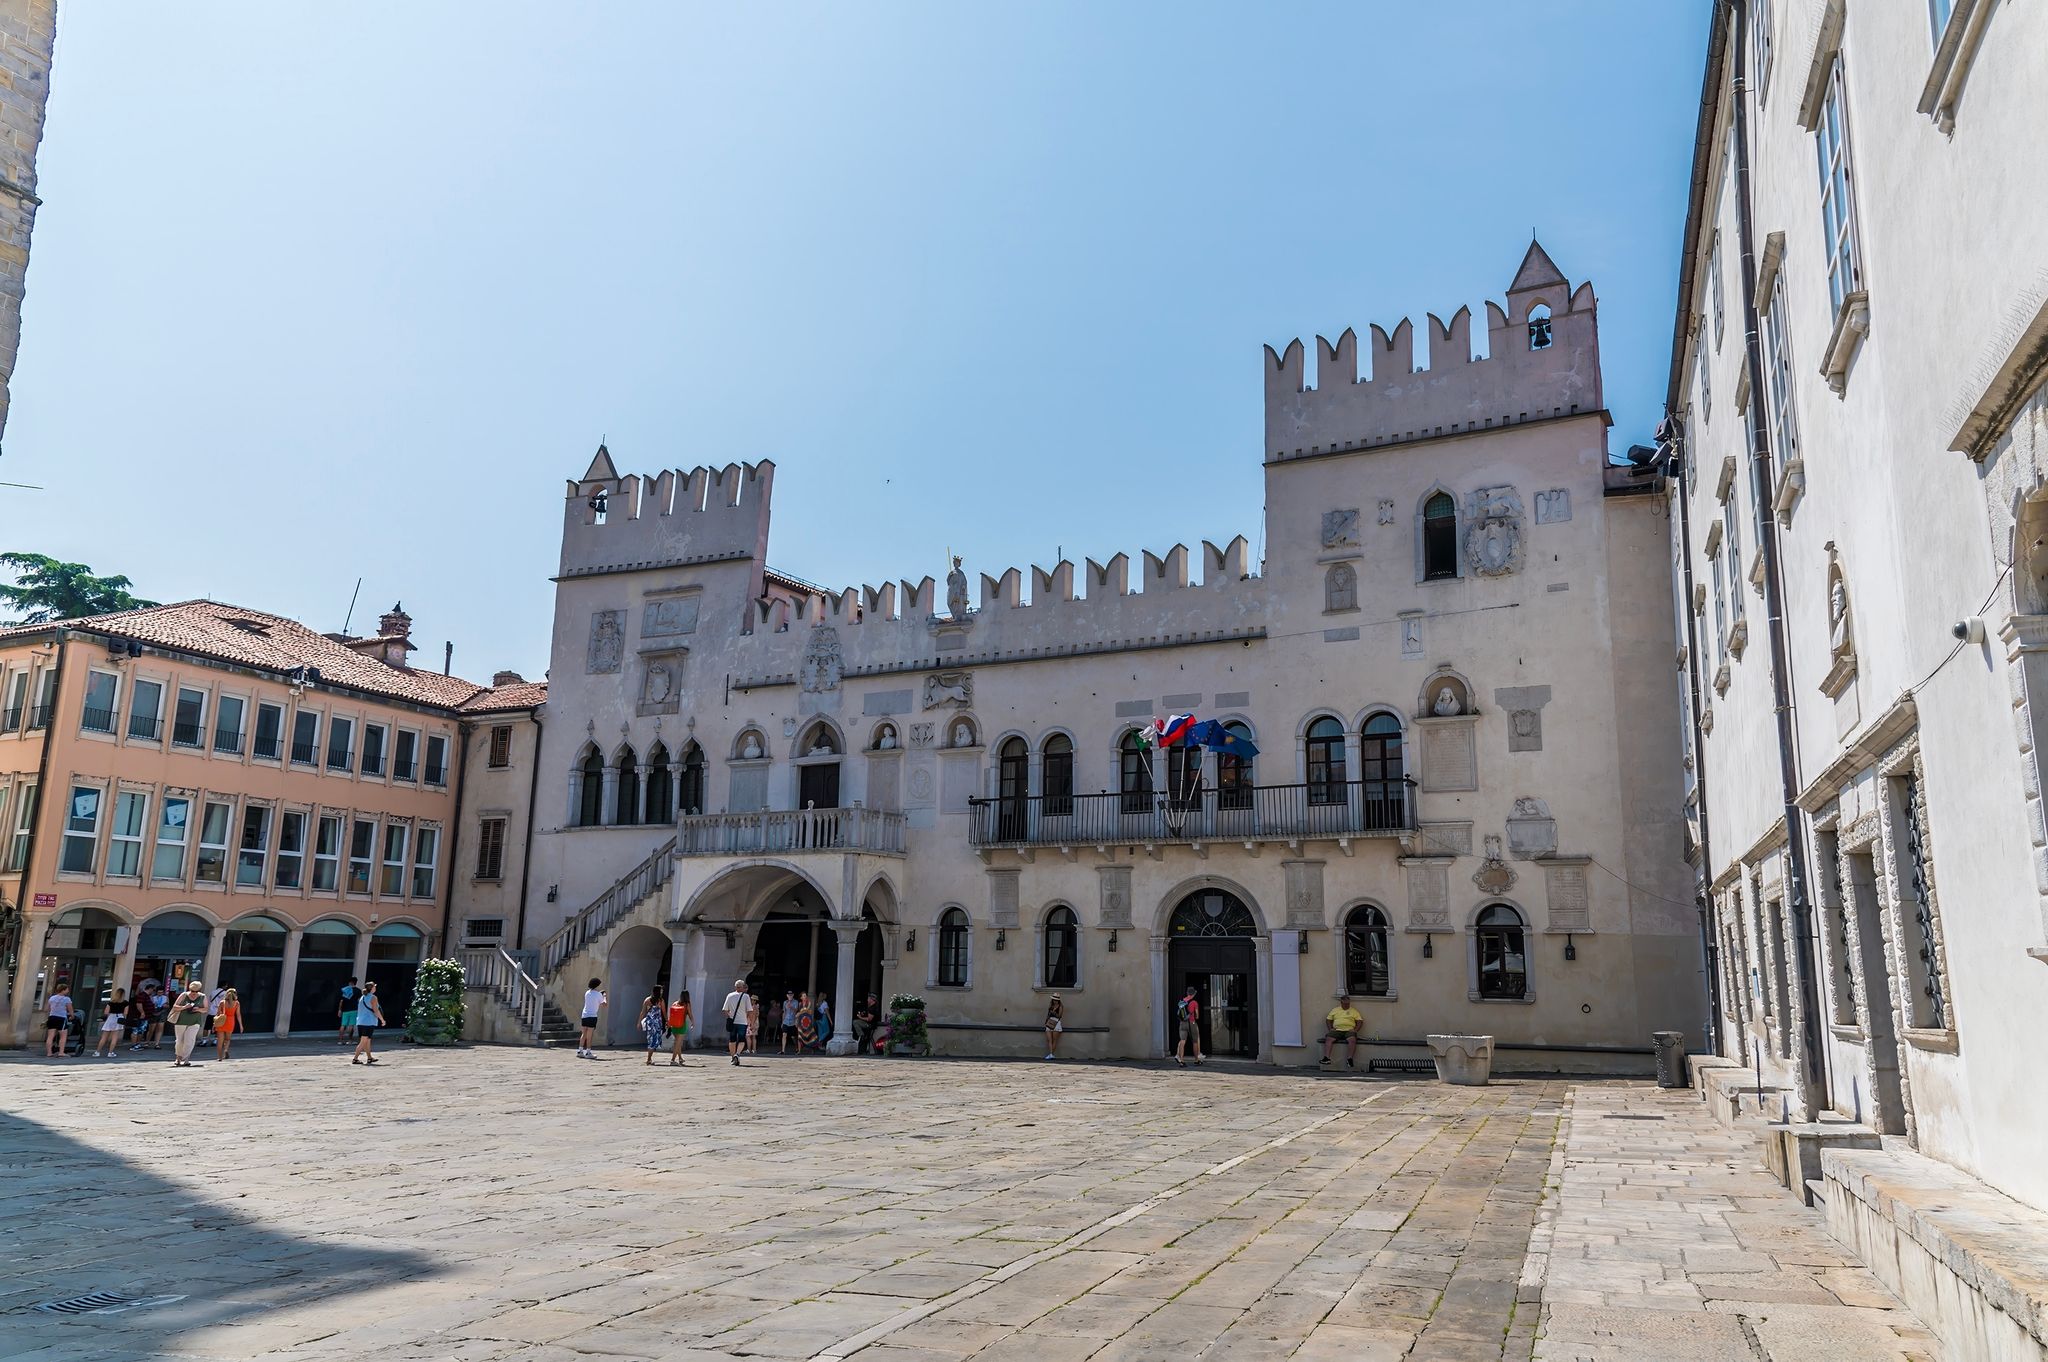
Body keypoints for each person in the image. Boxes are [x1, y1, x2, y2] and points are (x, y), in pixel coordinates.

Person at [169, 982, 207, 1067]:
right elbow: (175, 1006)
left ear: (199, 990)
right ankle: (178, 1058)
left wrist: (198, 1009)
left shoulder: (203, 997)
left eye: (196, 991)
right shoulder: (184, 995)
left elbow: (205, 1009)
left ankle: (186, 1059)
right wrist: (185, 1007)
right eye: (192, 991)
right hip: (181, 1021)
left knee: (190, 1040)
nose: (194, 993)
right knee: (179, 1040)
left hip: (195, 1021)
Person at [1321, 995, 1365, 1070]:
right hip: (1337, 1030)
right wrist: (1330, 1029)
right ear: (1341, 1003)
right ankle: (1327, 1058)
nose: (1347, 1005)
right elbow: (1328, 1019)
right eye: (1345, 1004)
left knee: (1352, 1040)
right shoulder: (1335, 1010)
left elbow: (1360, 1021)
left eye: (1348, 1003)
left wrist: (1355, 1030)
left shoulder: (1353, 1011)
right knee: (1329, 1038)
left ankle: (1350, 1059)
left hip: (1349, 1030)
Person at [352, 982, 386, 1065]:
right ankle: (355, 1058)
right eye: (374, 987)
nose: (375, 988)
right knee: (363, 1041)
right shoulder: (373, 997)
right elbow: (376, 1010)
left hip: (361, 1022)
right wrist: (382, 1020)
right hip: (368, 1022)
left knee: (367, 1041)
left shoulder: (362, 997)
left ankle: (369, 1058)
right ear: (372, 988)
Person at [721, 978, 750, 1066]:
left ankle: (733, 1057)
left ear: (735, 987)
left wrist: (729, 1017)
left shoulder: (730, 995)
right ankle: (737, 1054)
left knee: (732, 1040)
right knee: (741, 1040)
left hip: (732, 1022)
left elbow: (725, 1010)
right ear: (742, 987)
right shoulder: (746, 996)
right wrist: (748, 1019)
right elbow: (749, 1010)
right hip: (742, 1022)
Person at [1174, 985, 1204, 1067]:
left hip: (1182, 1022)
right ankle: (1197, 1060)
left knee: (1182, 1041)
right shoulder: (1194, 1002)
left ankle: (1181, 1061)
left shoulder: (1182, 1001)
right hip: (1191, 1022)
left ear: (1187, 993)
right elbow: (1197, 1015)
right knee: (1195, 1041)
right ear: (1193, 994)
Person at [94, 988, 129, 1057]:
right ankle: (110, 1052)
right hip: (119, 1018)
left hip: (111, 1017)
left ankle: (97, 1052)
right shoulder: (125, 1003)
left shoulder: (111, 1002)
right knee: (115, 1037)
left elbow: (106, 1012)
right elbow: (126, 1013)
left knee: (104, 1037)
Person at [577, 977, 606, 1058]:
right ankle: (588, 1052)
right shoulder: (599, 994)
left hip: (584, 1015)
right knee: (589, 1035)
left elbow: (593, 998)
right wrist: (604, 997)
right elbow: (604, 1004)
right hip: (592, 1016)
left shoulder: (587, 993)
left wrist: (600, 995)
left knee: (584, 1034)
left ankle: (580, 1050)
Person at [43, 983, 73, 1058]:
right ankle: (61, 1052)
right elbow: (70, 1009)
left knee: (50, 1036)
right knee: (63, 1036)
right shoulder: (67, 999)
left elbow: (48, 1009)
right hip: (61, 1018)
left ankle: (49, 1053)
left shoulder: (52, 998)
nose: (68, 991)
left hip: (52, 1017)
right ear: (63, 990)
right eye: (67, 989)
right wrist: (72, 1015)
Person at [666, 991, 692, 1066]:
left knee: (678, 1043)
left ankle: (680, 1058)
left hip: (674, 1026)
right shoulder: (687, 1004)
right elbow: (690, 1014)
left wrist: (669, 1024)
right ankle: (672, 1060)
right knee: (677, 1043)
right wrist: (693, 1021)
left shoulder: (675, 1003)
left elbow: (671, 1015)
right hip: (682, 1025)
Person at [216, 988, 242, 1061]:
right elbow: (238, 1015)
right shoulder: (236, 1003)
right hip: (230, 1021)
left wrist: (214, 1024)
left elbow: (218, 1013)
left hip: (222, 1021)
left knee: (220, 1041)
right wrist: (241, 1025)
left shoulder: (222, 1002)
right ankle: (226, 1050)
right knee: (227, 1039)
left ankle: (220, 1057)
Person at [640, 993, 665, 1065]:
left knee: (651, 1040)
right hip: (656, 1024)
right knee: (654, 1041)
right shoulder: (660, 1000)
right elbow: (664, 1012)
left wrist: (639, 1022)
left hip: (650, 1023)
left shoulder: (647, 1000)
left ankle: (649, 1058)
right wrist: (666, 1020)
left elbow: (643, 1012)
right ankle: (649, 1058)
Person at [338, 977, 360, 1045]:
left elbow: (341, 1001)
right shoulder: (358, 991)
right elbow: (359, 1001)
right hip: (354, 1010)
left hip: (345, 1010)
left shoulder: (345, 990)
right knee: (351, 1025)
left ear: (350, 982)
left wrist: (340, 1010)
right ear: (355, 982)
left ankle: (340, 1040)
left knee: (343, 1025)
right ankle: (350, 1040)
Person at [1043, 995, 1064, 1060]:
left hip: (1056, 1023)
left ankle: (1051, 1054)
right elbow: (1048, 1014)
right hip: (1049, 1022)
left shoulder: (1060, 1006)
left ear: (1058, 1000)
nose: (1054, 1001)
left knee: (1054, 1040)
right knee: (1049, 1040)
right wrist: (1046, 1021)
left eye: (1056, 1000)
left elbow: (1060, 1016)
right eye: (1054, 999)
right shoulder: (1051, 1006)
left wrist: (1054, 1013)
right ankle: (1051, 1054)